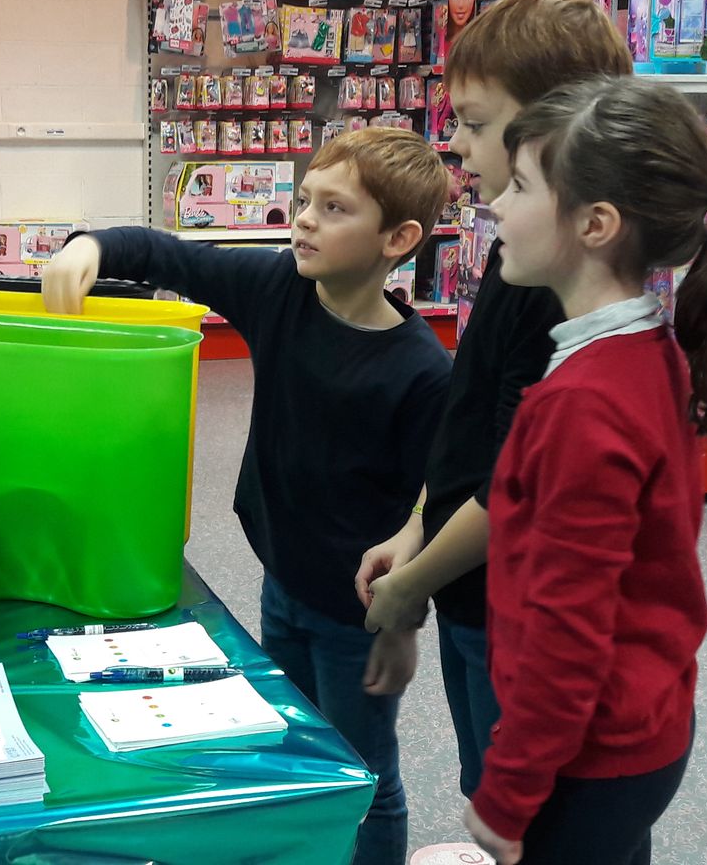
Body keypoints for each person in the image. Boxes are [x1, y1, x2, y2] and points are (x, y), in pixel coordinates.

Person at [43, 129, 453, 865]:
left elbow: (438, 492)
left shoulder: (420, 369)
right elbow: (171, 255)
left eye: (333, 208)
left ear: (399, 237)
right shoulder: (279, 291)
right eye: (303, 201)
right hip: (282, 578)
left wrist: (402, 620)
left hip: (356, 611)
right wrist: (90, 247)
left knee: (362, 774)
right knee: (292, 747)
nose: (303, 220)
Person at [461, 76, 707, 864]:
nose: (496, 207)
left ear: (596, 224)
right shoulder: (647, 357)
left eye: (520, 187)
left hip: (587, 760)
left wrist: (505, 797)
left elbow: (568, 633)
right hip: (645, 730)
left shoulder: (584, 404)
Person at [354, 0, 633, 800]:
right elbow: (471, 428)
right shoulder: (523, 258)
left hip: (520, 613)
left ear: (555, 131)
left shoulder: (562, 289)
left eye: (476, 124)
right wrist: (417, 527)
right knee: (491, 783)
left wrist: (409, 586)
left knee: (525, 807)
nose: (458, 145)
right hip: (474, 591)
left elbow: (517, 483)